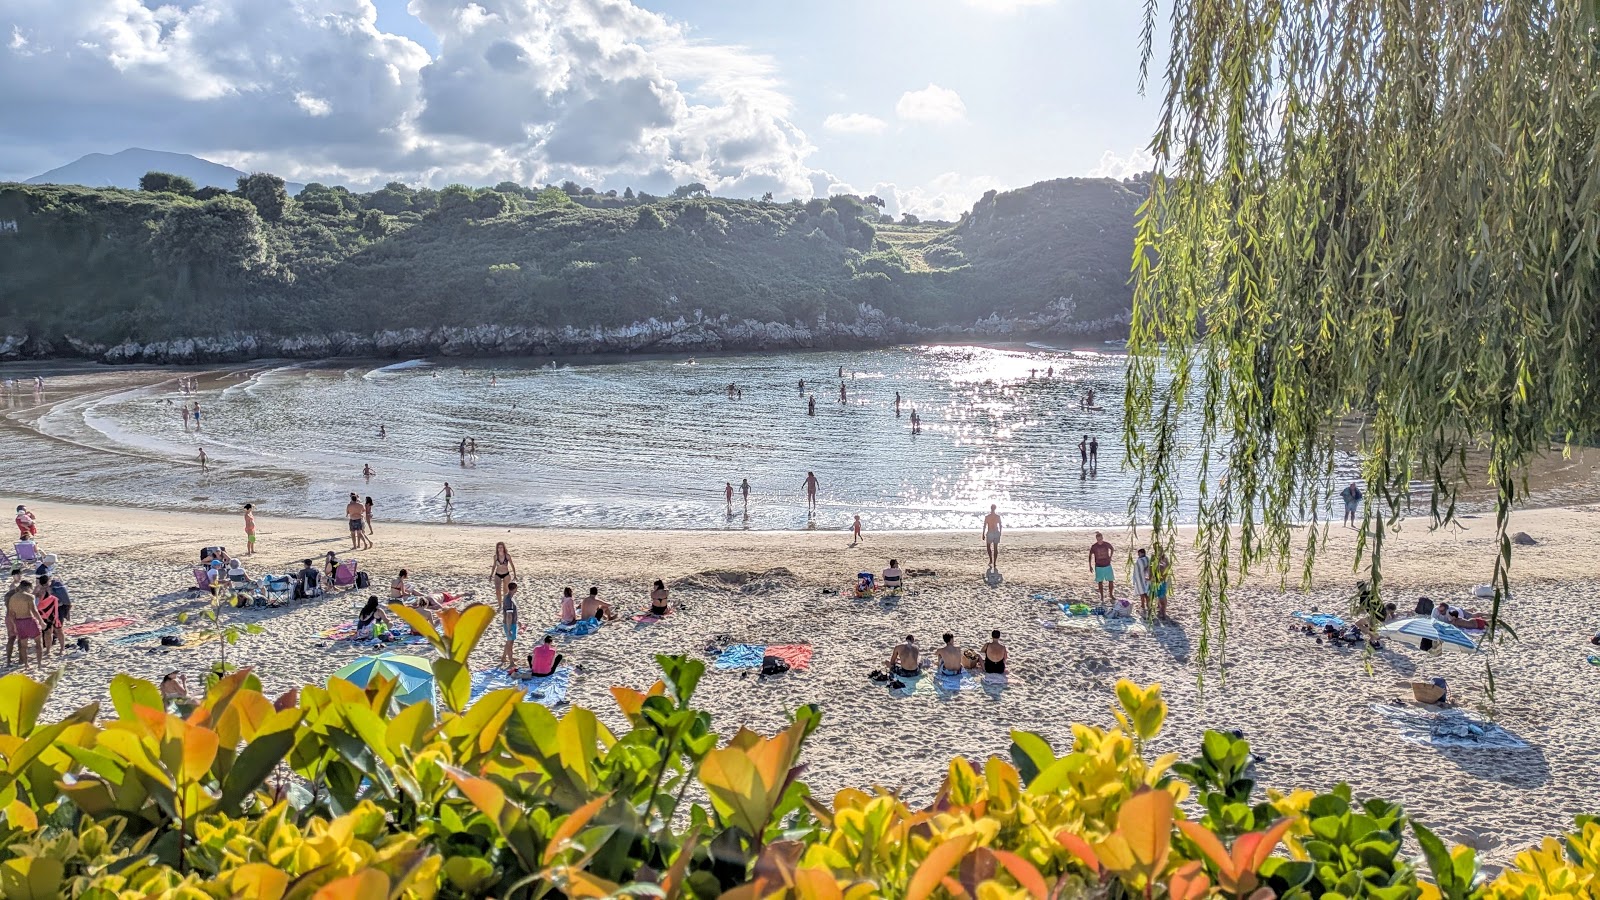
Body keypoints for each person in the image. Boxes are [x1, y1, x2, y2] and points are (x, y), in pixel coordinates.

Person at [5, 579, 43, 667]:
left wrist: (14, 624)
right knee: (32, 641)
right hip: (25, 619)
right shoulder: (27, 596)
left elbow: (10, 610)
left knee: (12, 639)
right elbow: (34, 611)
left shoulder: (10, 595)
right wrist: (41, 621)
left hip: (11, 618)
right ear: (27, 587)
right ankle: (25, 661)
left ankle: (9, 660)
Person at [34, 579, 64, 658]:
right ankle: (48, 650)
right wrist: (38, 588)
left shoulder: (53, 588)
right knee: (48, 632)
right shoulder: (39, 591)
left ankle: (62, 648)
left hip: (54, 612)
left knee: (58, 631)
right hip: (44, 613)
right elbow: (34, 597)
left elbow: (62, 597)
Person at [498, 582, 520, 673]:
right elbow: (509, 615)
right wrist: (509, 628)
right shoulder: (509, 600)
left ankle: (504, 657)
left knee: (509, 640)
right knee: (510, 642)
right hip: (510, 624)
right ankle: (511, 661)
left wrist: (517, 621)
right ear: (514, 589)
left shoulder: (509, 597)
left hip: (511, 623)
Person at [1089, 532, 1116, 602]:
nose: (1099, 541)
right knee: (1100, 582)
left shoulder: (1106, 544)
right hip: (1098, 566)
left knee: (1111, 580)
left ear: (1102, 538)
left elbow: (1112, 548)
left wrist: (1110, 556)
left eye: (1100, 539)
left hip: (1107, 565)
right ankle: (1102, 596)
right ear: (1096, 539)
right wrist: (1090, 565)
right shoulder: (1094, 546)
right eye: (1098, 539)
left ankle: (1111, 594)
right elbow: (1090, 555)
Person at [1149, 548, 1171, 620]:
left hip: (1161, 582)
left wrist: (1163, 577)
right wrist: (1150, 577)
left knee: (1162, 598)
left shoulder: (1165, 559)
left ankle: (1163, 613)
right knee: (1151, 598)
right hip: (1154, 582)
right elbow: (1150, 568)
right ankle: (1150, 612)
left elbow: (1167, 569)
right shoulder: (1153, 558)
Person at [1132, 548, 1153, 617]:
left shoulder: (1141, 560)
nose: (1138, 555)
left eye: (1139, 553)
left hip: (1141, 578)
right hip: (1145, 578)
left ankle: (1144, 605)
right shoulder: (1147, 559)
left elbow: (1138, 567)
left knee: (1143, 593)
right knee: (1145, 593)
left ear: (1142, 553)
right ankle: (1146, 606)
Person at [982, 505, 1002, 569]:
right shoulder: (997, 517)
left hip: (990, 532)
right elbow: (1000, 525)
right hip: (995, 532)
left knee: (989, 547)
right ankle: (994, 562)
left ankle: (991, 560)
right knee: (995, 547)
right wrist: (1000, 533)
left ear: (991, 508)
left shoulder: (987, 517)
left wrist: (983, 533)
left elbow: (984, 526)